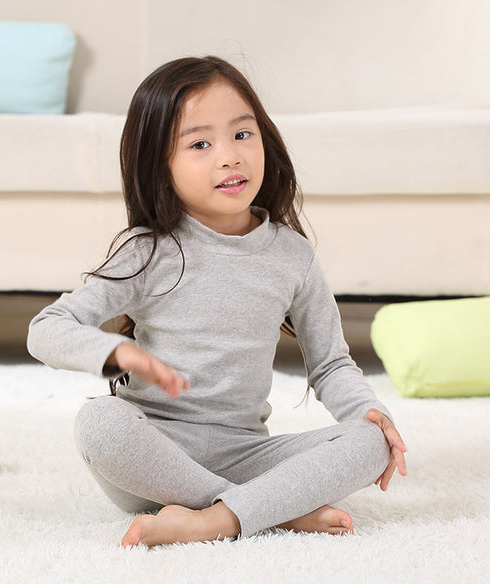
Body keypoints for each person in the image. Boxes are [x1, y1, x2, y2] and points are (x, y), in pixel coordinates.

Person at [27, 56, 407, 548]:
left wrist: (372, 413)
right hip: (152, 460)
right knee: (99, 422)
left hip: (246, 453)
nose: (229, 156)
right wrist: (114, 353)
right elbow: (46, 327)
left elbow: (331, 364)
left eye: (242, 135)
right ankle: (264, 511)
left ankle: (215, 519)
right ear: (160, 168)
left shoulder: (292, 255)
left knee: (370, 440)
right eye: (200, 144)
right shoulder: (150, 250)